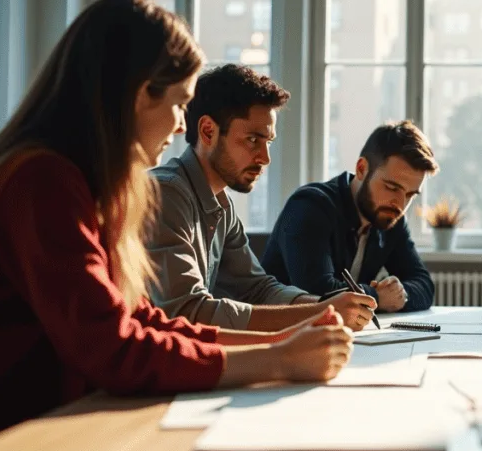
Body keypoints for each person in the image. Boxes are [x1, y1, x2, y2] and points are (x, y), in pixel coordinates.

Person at [0, 0, 352, 436]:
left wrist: (278, 343)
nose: (181, 124)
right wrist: (278, 358)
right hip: (16, 444)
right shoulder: (42, 181)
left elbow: (140, 319)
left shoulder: (87, 187)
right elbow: (113, 347)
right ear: (141, 94)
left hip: (54, 426)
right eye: (180, 103)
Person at [148, 64, 377, 331]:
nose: (265, 158)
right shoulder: (166, 194)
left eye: (268, 142)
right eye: (252, 140)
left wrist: (325, 305)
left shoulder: (221, 204)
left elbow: (256, 289)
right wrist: (317, 313)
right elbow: (187, 312)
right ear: (208, 131)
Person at [262, 121, 438, 312]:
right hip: (281, 331)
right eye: (391, 187)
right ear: (361, 169)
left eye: (410, 194)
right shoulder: (309, 206)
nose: (400, 203)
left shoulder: (389, 216)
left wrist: (397, 295)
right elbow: (317, 292)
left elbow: (424, 285)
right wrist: (377, 296)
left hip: (337, 332)